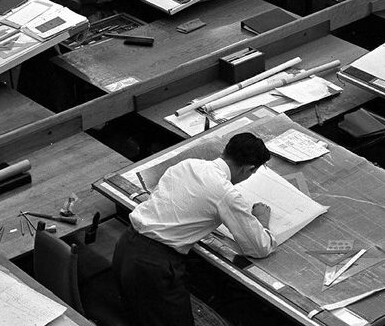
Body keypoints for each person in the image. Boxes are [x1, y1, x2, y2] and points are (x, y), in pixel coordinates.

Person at [113, 132, 276, 326]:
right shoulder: (226, 194)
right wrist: (261, 221)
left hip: (126, 245)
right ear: (248, 169)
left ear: (226, 150)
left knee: (138, 316)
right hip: (154, 266)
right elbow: (259, 248)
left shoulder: (187, 165)